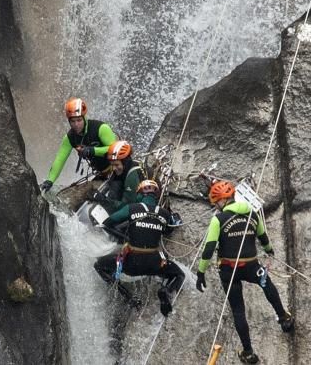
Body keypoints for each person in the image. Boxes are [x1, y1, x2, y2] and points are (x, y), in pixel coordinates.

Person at [196, 180, 294, 365]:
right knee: (267, 285)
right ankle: (284, 318)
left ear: (221, 201)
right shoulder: (252, 213)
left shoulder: (219, 219)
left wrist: (201, 272)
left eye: (216, 202)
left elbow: (209, 248)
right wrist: (269, 250)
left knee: (238, 310)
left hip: (229, 269)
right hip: (251, 267)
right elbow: (263, 236)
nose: (216, 206)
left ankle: (248, 353)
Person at [94, 179, 185, 316]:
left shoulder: (132, 208)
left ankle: (129, 298)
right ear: (156, 196)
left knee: (99, 265)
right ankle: (166, 290)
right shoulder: (165, 214)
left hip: (132, 264)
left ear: (139, 194)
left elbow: (108, 222)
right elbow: (167, 231)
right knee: (179, 274)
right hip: (155, 264)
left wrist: (125, 235)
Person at [40, 97, 117, 193]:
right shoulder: (69, 138)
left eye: (79, 120)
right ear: (69, 121)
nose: (76, 124)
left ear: (84, 118)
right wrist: (50, 180)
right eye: (73, 121)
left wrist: (92, 150)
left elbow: (116, 150)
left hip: (118, 170)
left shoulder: (101, 128)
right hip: (102, 174)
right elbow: (59, 160)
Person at [91, 140, 145, 215]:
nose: (113, 168)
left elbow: (128, 208)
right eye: (112, 165)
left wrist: (103, 200)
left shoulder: (132, 176)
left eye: (116, 165)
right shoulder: (121, 170)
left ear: (125, 162)